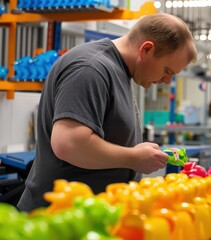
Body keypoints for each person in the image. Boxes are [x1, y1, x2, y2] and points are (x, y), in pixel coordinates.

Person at [17, 13, 197, 211]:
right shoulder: (90, 68)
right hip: (59, 219)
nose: (167, 81)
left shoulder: (118, 70)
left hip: (88, 214)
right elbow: (69, 144)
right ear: (146, 49)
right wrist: (134, 158)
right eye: (167, 71)